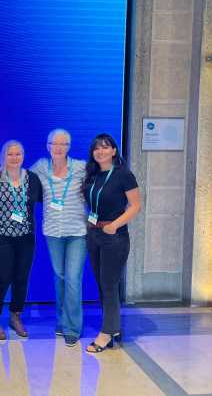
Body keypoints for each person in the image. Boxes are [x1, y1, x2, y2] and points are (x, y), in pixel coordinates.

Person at [82, 133, 141, 353]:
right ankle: (114, 327)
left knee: (108, 285)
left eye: (106, 147)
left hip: (114, 237)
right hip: (94, 235)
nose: (101, 151)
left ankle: (106, 334)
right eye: (97, 148)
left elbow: (135, 206)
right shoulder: (93, 175)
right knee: (104, 286)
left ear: (114, 151)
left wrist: (115, 224)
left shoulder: (123, 175)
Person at [31, 129, 87, 347]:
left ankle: (72, 327)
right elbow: (19, 177)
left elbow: (100, 181)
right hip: (53, 231)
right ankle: (62, 320)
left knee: (73, 279)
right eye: (55, 143)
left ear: (69, 147)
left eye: (63, 144)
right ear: (48, 146)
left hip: (77, 232)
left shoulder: (81, 168)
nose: (59, 147)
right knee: (60, 277)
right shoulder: (40, 167)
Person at [0, 140, 43, 340]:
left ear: (23, 156)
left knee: (21, 279)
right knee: (2, 279)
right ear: (3, 156)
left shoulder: (33, 179)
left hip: (25, 239)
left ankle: (15, 315)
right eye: (10, 154)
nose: (14, 158)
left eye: (18, 154)